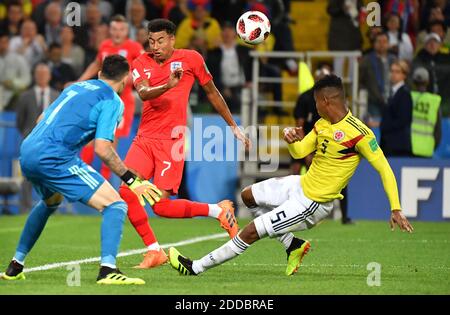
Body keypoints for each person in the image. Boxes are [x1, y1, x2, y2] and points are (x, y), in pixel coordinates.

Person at [167, 74, 414, 277]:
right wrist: (292, 140)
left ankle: (195, 267)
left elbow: (384, 168)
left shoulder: (360, 133)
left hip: (313, 203)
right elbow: (301, 150)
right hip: (300, 185)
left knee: (252, 231)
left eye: (316, 102)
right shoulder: (322, 124)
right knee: (248, 195)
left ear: (326, 101)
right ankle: (292, 244)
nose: (314, 107)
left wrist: (395, 208)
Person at [1, 55, 160, 285]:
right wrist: (131, 179)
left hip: (28, 150)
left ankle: (15, 266)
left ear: (99, 74)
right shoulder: (112, 101)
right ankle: (108, 270)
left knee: (50, 201)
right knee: (116, 205)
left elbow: (40, 119)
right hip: (54, 157)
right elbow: (103, 149)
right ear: (125, 80)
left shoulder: (74, 88)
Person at [120, 19, 251, 269]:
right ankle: (154, 251)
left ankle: (218, 211)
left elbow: (212, 92)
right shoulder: (140, 63)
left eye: (160, 41)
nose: (155, 46)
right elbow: (144, 93)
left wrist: (233, 126)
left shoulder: (191, 59)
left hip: (172, 141)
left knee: (161, 207)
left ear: (172, 39)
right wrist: (167, 85)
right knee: (127, 191)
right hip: (144, 139)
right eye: (151, 41)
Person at [77, 14, 144, 180]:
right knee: (89, 140)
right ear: (110, 30)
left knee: (109, 144)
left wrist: (127, 80)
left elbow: (144, 67)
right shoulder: (105, 45)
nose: (117, 33)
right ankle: (80, 177)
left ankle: (104, 186)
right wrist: (79, 81)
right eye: (114, 29)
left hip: (122, 102)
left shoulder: (134, 47)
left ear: (127, 31)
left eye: (121, 29)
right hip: (100, 99)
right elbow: (96, 64)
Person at [292, 64, 353, 224]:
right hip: (307, 140)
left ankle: (344, 216)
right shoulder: (305, 98)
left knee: (340, 178)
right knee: (297, 172)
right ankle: (293, 210)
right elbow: (299, 125)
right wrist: (307, 152)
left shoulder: (334, 101)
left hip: (329, 142)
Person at [15, 63, 59, 214]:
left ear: (49, 76)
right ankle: (24, 208)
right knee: (26, 176)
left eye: (44, 74)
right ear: (35, 76)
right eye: (39, 74)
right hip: (29, 143)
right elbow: (20, 121)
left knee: (52, 175)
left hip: (51, 143)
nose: (41, 77)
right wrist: (29, 136)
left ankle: (52, 208)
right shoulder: (25, 96)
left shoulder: (57, 95)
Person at [380, 60, 414, 157]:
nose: (393, 74)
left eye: (397, 72)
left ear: (404, 75)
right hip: (389, 144)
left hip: (398, 146)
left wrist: (385, 125)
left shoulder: (405, 94)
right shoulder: (391, 93)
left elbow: (403, 119)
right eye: (392, 71)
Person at [410, 67, 442, 157]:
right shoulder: (434, 101)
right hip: (427, 150)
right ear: (427, 82)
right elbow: (438, 131)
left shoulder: (408, 98)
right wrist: (432, 146)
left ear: (413, 81)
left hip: (408, 148)